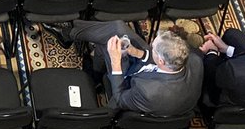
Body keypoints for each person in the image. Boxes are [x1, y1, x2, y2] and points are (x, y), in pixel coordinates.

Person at [70, 25, 203, 116]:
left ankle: (95, 76)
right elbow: (156, 60)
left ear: (161, 61)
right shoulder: (195, 61)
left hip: (130, 95)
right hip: (151, 78)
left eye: (153, 48)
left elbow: (120, 99)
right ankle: (72, 32)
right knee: (118, 27)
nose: (150, 46)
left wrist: (115, 62)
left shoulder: (147, 91)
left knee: (106, 44)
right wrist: (136, 52)